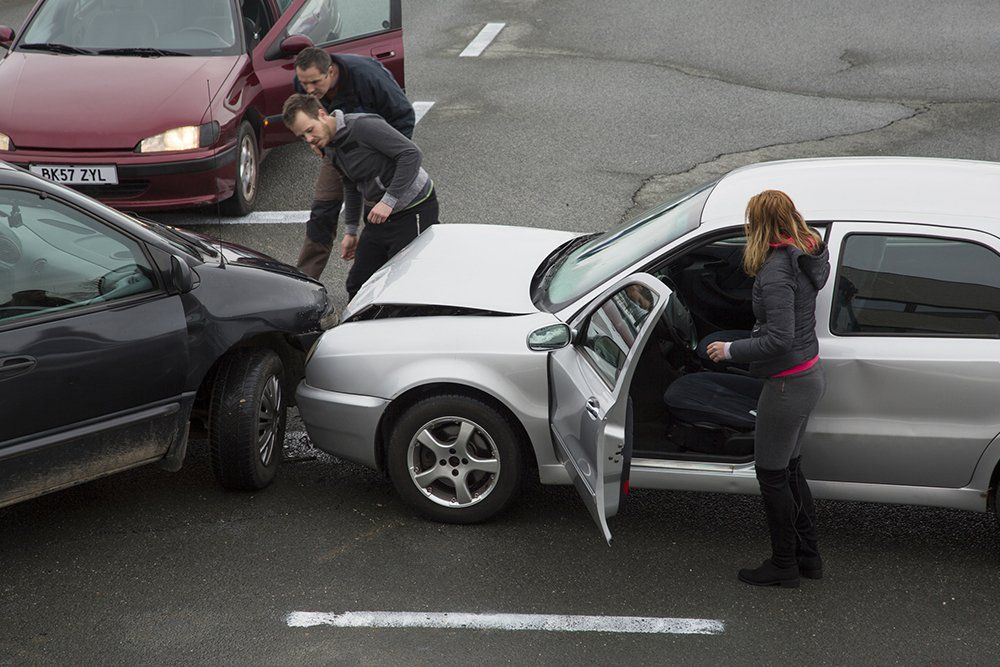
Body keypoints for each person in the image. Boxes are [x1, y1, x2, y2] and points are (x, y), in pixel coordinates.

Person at [706, 190, 830, 589]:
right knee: (791, 471)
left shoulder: (777, 271)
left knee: (772, 474)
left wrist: (730, 351)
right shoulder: (806, 254)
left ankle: (783, 565)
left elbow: (778, 338)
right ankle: (808, 558)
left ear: (760, 224)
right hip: (806, 376)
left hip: (786, 385)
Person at [282, 94, 438, 300]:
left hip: (414, 208)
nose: (309, 140)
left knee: (401, 282)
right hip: (379, 215)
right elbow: (351, 183)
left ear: (321, 114)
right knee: (358, 283)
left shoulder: (363, 126)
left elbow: (411, 154)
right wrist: (351, 231)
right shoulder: (330, 145)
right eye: (303, 136)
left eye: (310, 130)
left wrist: (388, 201)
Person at [292, 47, 415, 279]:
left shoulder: (368, 77)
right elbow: (305, 117)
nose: (308, 90)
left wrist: (388, 160)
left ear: (330, 71)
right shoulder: (305, 82)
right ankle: (305, 282)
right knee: (322, 212)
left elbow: (404, 116)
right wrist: (318, 144)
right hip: (336, 150)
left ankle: (388, 280)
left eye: (315, 83)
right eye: (303, 83)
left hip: (376, 150)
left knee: (379, 216)